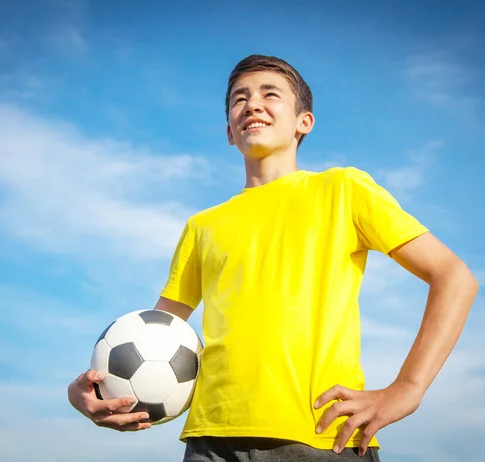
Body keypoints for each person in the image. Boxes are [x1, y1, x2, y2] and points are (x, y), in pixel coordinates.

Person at [67, 55, 479, 461]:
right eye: (239, 99)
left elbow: (454, 276)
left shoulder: (343, 189)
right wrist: (92, 391)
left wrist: (408, 388)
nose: (253, 104)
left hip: (319, 438)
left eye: (270, 94)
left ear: (304, 121)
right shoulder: (202, 226)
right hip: (211, 442)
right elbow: (156, 334)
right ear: (229, 130)